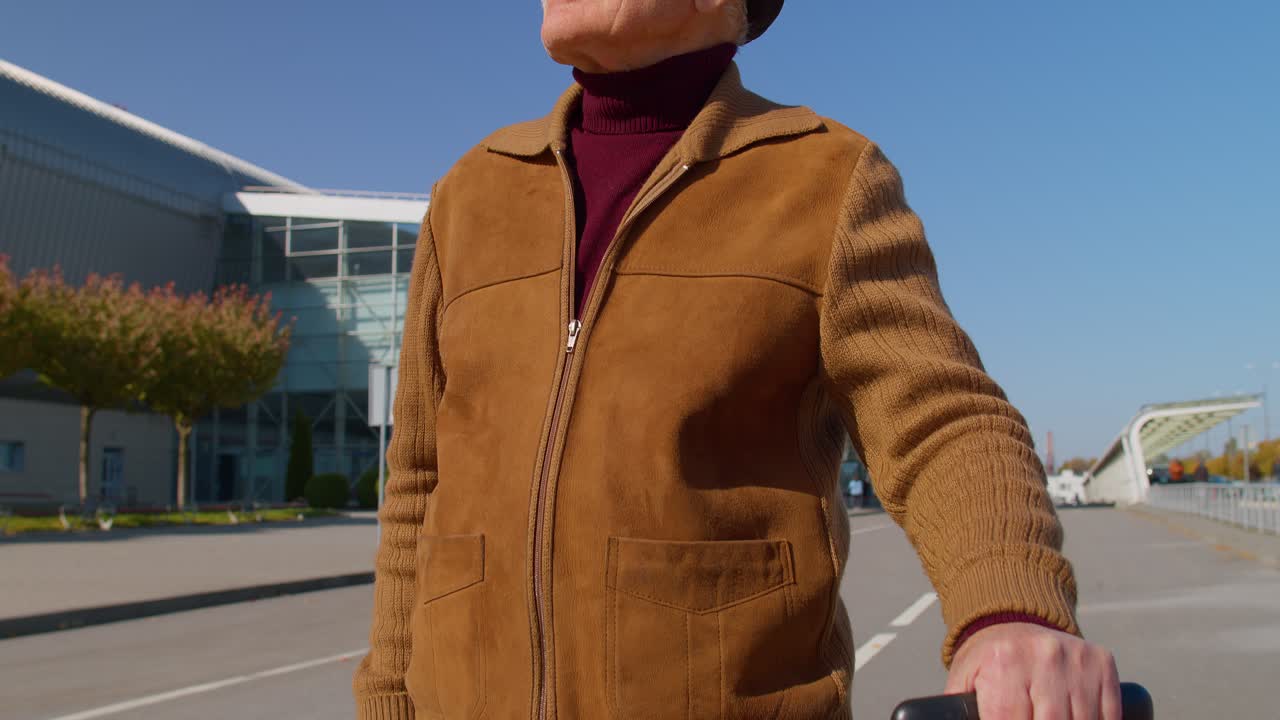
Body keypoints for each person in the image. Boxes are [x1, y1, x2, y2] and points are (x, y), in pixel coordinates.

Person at [353, 2, 1121, 718]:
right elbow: (420, 480)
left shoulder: (823, 180)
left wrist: (1008, 611)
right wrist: (386, 702)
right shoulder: (469, 195)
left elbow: (941, 419)